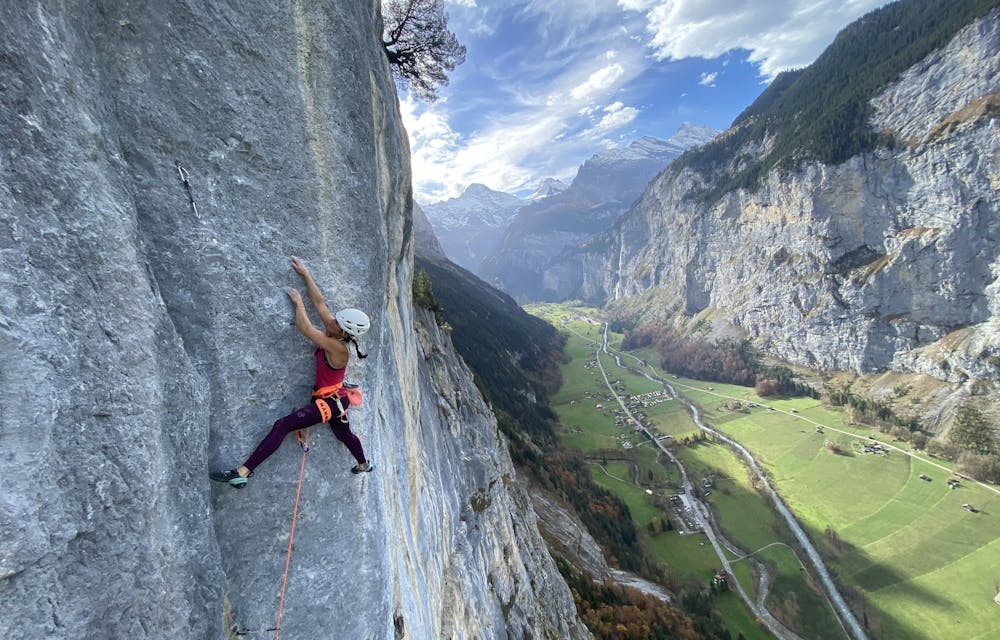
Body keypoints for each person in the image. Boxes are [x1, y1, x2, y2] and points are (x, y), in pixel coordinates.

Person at [211, 256, 372, 488]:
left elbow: (305, 328)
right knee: (343, 433)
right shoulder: (337, 332)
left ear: (344, 331)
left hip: (327, 403)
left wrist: (299, 305)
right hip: (338, 400)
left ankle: (242, 473)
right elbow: (321, 303)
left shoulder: (338, 348)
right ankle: (363, 464)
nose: (332, 319)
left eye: (337, 321)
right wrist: (306, 274)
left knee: (282, 425)